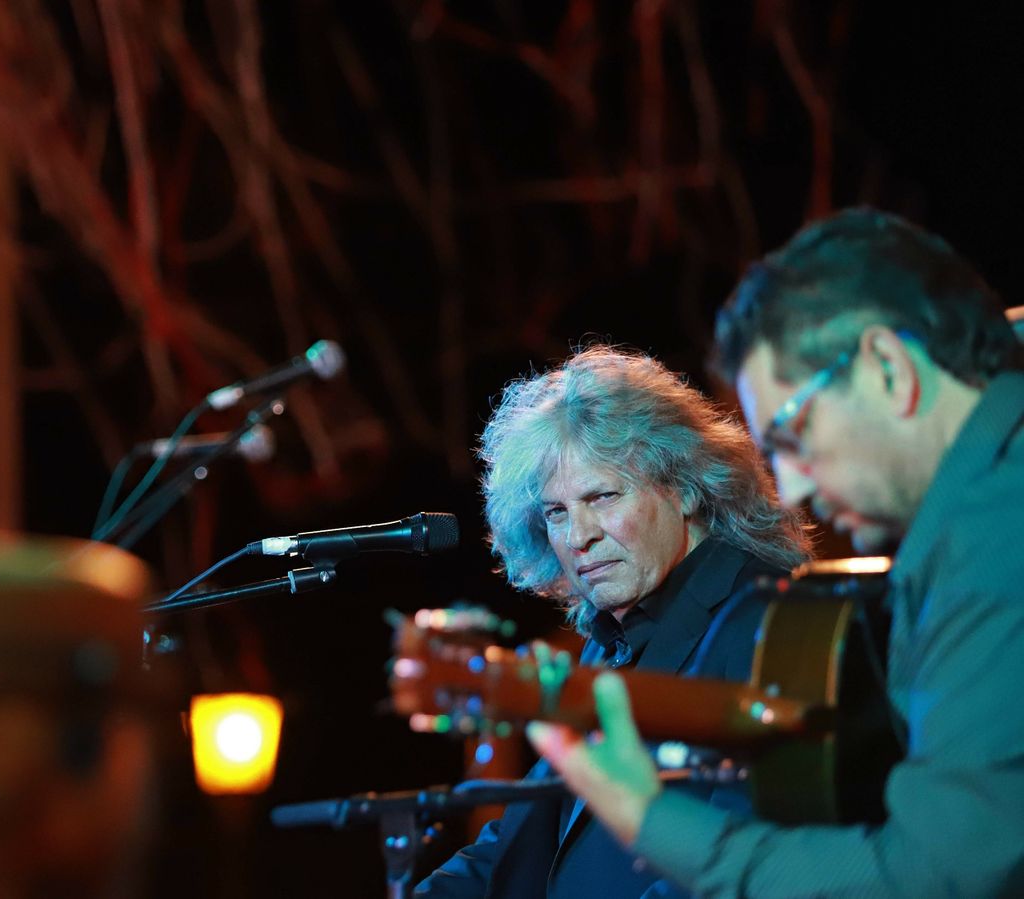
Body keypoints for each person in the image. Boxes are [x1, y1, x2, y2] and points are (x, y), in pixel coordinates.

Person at [525, 207, 1024, 896]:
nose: (786, 483)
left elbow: (933, 875)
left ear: (888, 366)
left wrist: (650, 819)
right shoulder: (970, 523)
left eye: (793, 431)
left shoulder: (996, 532)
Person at [415, 347, 810, 899]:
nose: (578, 537)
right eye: (556, 512)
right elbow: (531, 832)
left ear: (687, 487)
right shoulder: (612, 640)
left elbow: (751, 861)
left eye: (601, 496)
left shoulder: (772, 621)